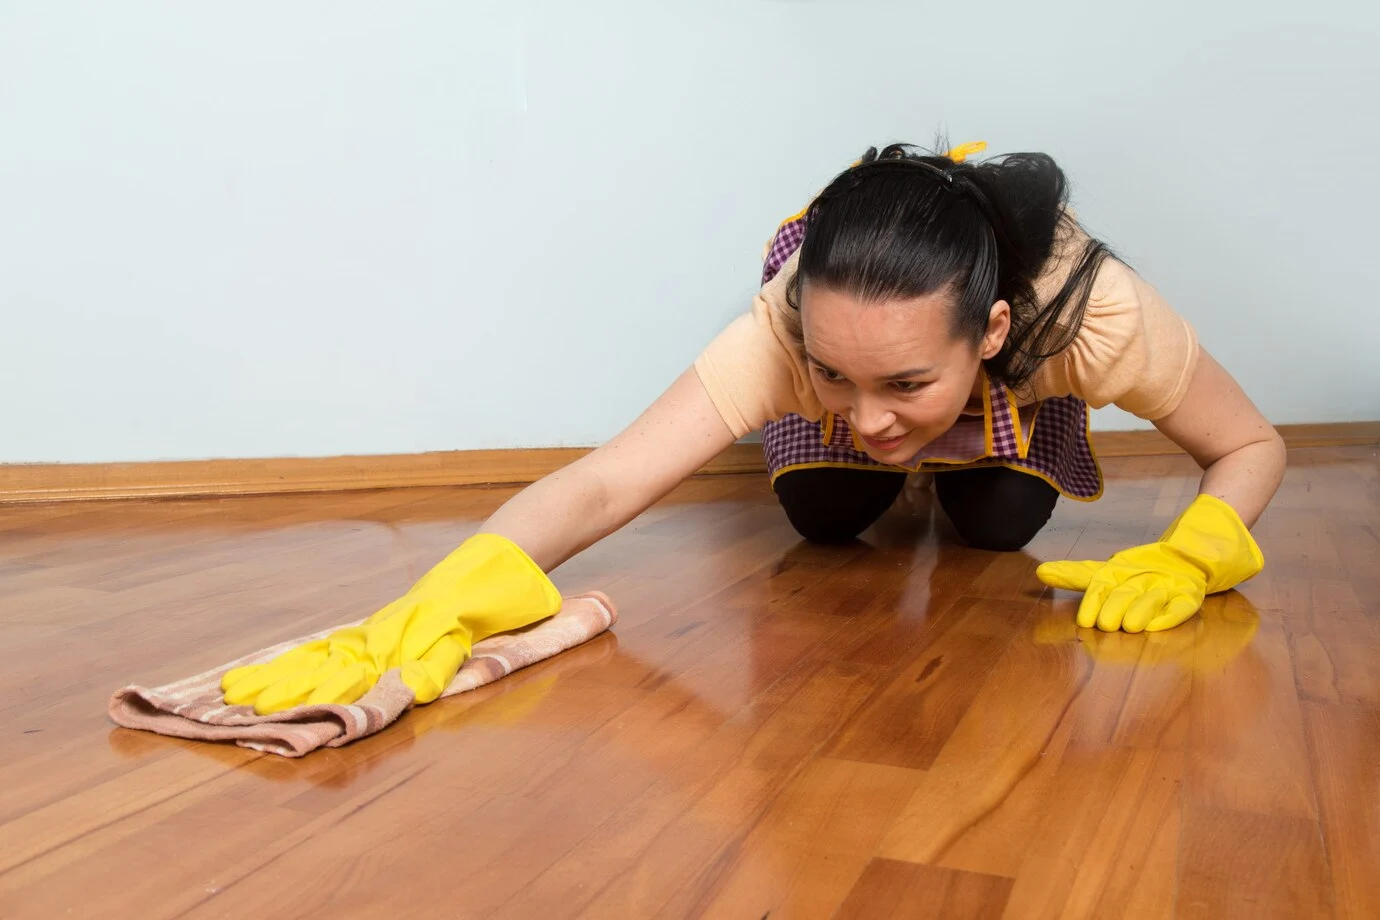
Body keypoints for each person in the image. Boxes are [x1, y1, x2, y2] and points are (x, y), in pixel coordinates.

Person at [222, 140, 1287, 715]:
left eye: (906, 379)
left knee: (1002, 524)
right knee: (828, 509)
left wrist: (1201, 552)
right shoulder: (782, 328)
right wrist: (439, 592)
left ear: (995, 327)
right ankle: (892, 428)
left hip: (1007, 411)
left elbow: (1250, 444)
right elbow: (604, 481)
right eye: (834, 371)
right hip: (871, 374)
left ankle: (960, 453)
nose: (867, 416)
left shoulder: (1088, 311)